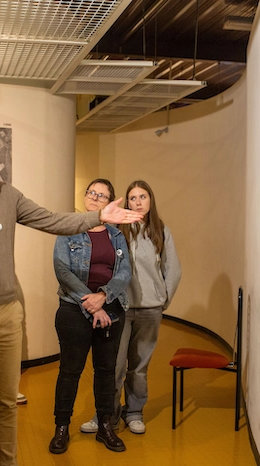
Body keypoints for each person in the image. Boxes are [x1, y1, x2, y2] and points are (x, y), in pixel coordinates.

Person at [0, 124, 142, 466]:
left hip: (7, 313)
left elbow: (51, 220)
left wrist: (98, 216)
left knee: (6, 402)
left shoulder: (6, 194)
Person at [81, 180, 181, 435]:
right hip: (119, 308)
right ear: (126, 202)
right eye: (133, 198)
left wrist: (163, 299)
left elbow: (172, 269)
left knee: (138, 368)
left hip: (150, 310)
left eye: (142, 197)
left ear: (150, 200)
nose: (138, 202)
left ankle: (134, 412)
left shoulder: (161, 230)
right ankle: (106, 415)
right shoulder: (116, 230)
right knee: (114, 365)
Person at [49, 179, 131, 455]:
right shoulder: (69, 229)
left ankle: (105, 426)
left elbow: (125, 272)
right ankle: (61, 427)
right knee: (69, 371)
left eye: (102, 195)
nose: (95, 197)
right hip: (74, 309)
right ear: (85, 197)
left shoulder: (116, 236)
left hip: (111, 308)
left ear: (110, 202)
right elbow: (62, 271)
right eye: (92, 193)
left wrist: (104, 295)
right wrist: (92, 304)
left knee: (106, 371)